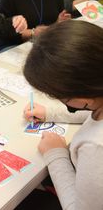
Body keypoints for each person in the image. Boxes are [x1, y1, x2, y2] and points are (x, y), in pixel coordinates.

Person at [22, 20, 103, 209]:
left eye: (58, 97)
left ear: (83, 96)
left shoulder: (95, 148)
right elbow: (94, 110)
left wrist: (55, 154)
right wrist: (50, 112)